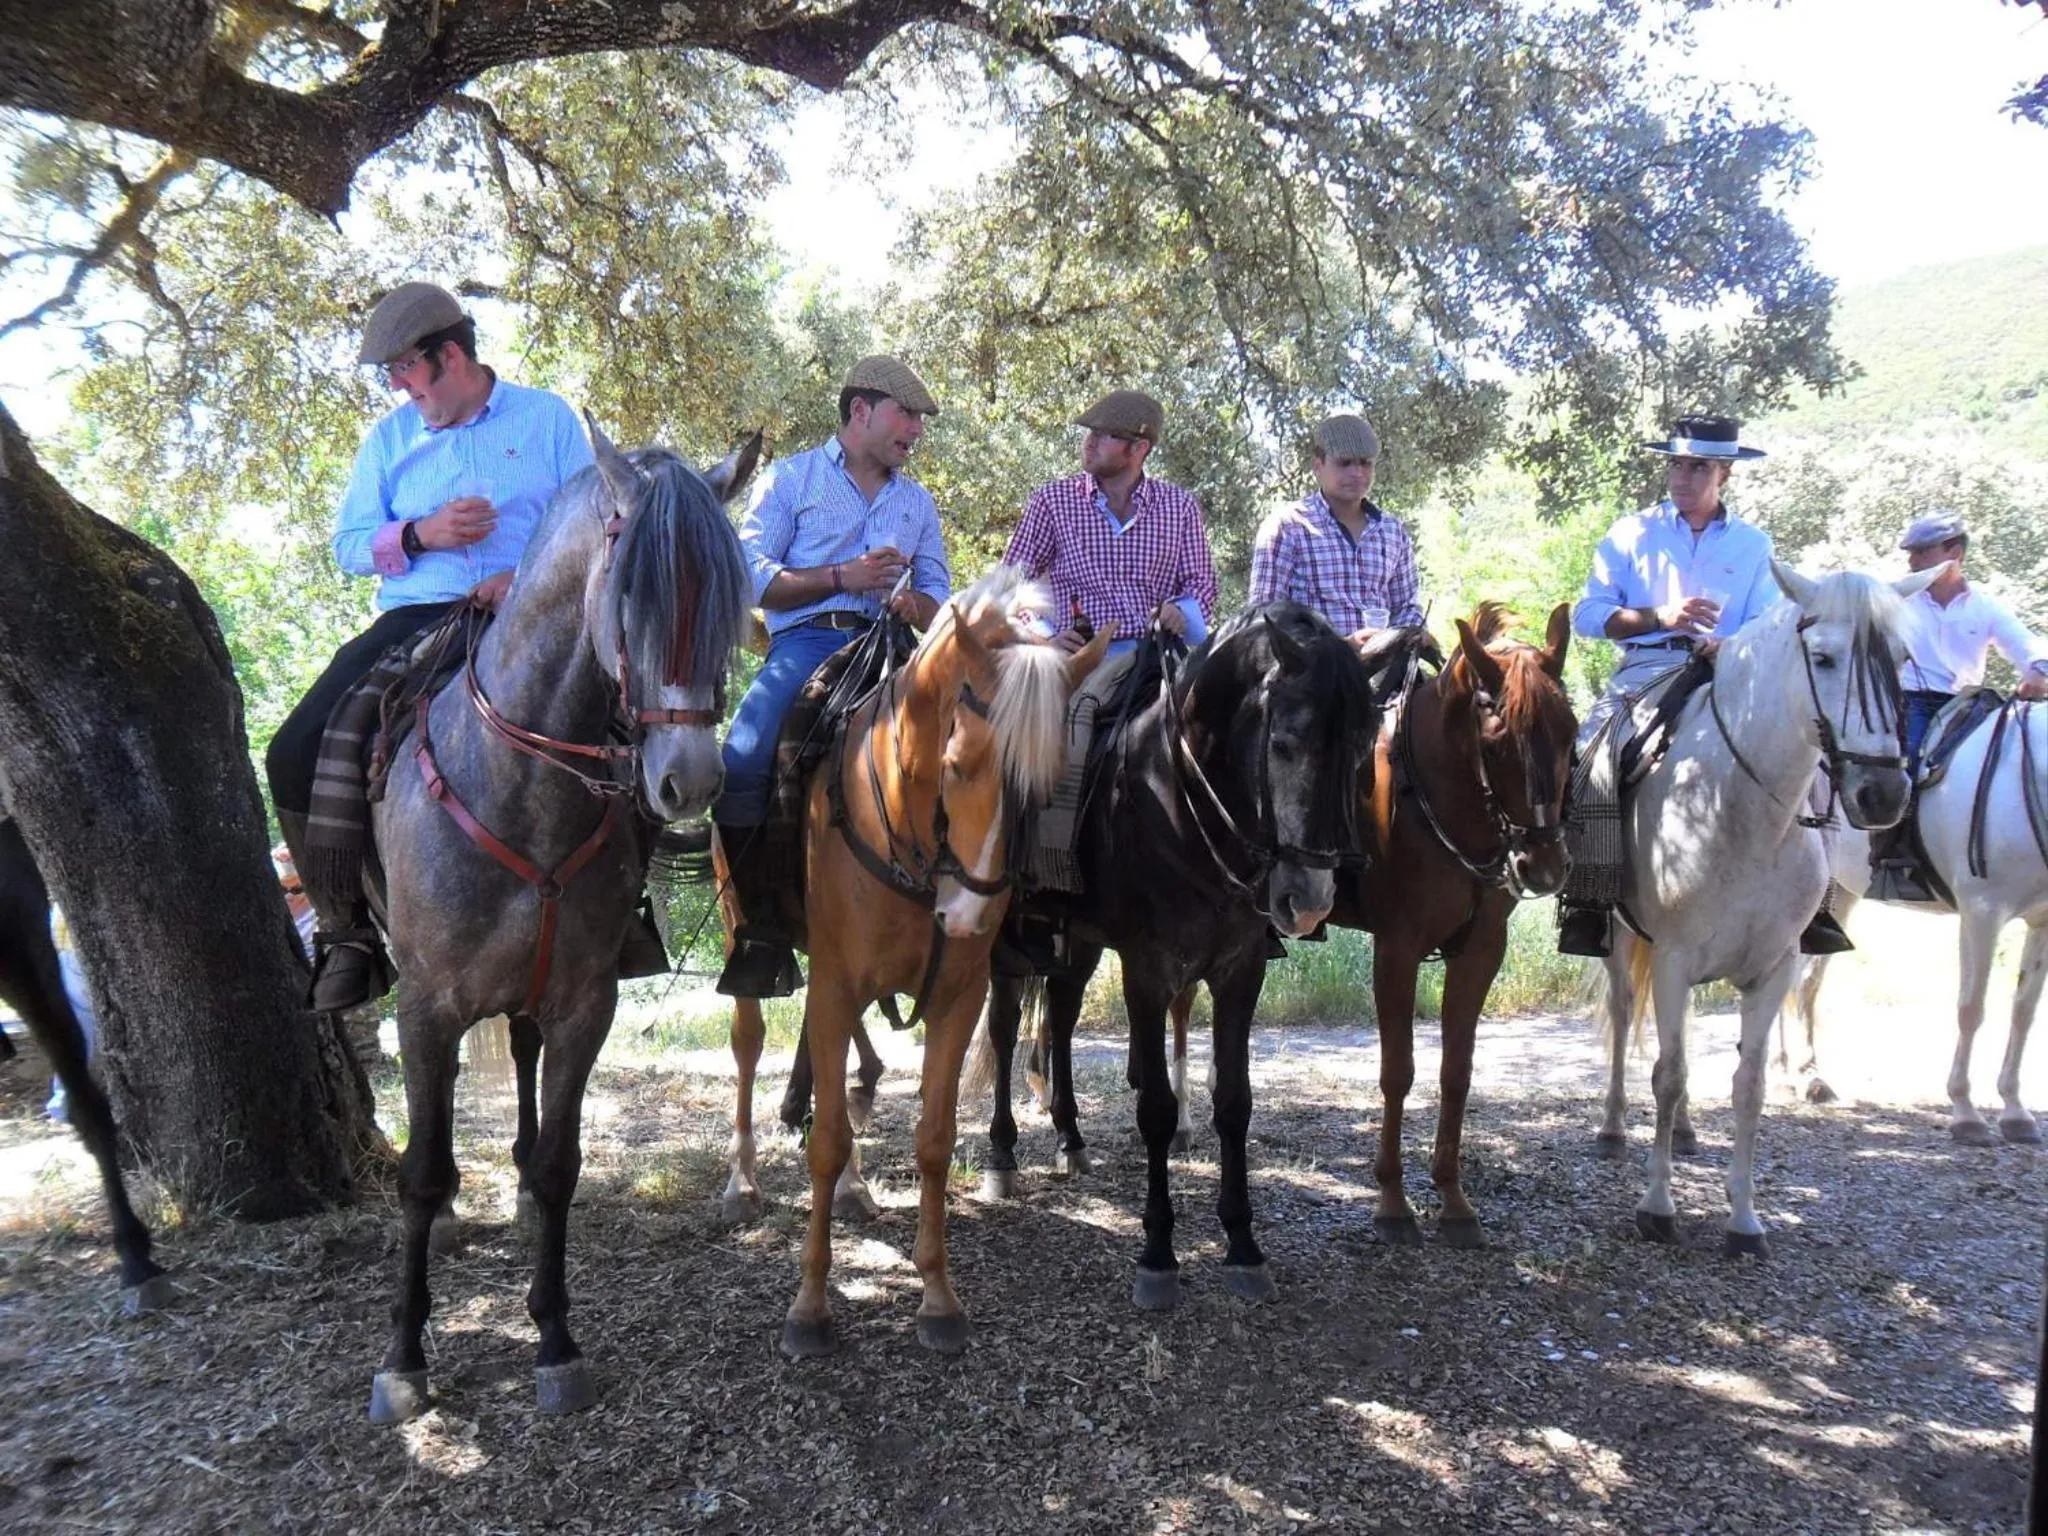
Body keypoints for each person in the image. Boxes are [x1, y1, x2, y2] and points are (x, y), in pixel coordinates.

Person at [266, 282, 595, 1010]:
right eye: (390, 375)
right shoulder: (388, 439)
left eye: (404, 369)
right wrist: (422, 534)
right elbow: (349, 545)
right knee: (292, 751)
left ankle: (621, 914)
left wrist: (524, 575)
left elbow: (588, 519)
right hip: (415, 619)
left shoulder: (546, 419)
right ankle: (349, 936)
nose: (396, 386)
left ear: (450, 356)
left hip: (533, 621)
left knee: (631, 722)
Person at [1555, 414, 1852, 958]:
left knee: (1814, 760)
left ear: (1725, 476)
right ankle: (1589, 900)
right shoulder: (1631, 532)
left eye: (1698, 467)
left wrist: (1731, 645)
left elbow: (1772, 621)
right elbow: (1590, 616)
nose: (1682, 477)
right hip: (1647, 669)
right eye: (1676, 464)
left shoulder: (1754, 545)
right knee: (1591, 753)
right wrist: (1659, 615)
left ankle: (1816, 905)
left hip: (1735, 677)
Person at [714, 356, 951, 997]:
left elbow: (940, 599)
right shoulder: (791, 480)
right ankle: (760, 929)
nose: (916, 432)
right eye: (907, 417)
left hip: (898, 644)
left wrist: (913, 604)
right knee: (741, 759)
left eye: (920, 422)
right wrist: (845, 576)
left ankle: (977, 915)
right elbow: (753, 577)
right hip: (807, 642)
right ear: (860, 412)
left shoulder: (917, 502)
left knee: (977, 741)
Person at [1004, 389, 1218, 904]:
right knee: (1052, 731)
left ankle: (1232, 889)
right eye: (1089, 433)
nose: (1089, 442)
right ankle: (1036, 878)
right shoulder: (1052, 502)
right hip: (1082, 653)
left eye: (1103, 436)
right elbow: (1011, 584)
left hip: (1159, 651)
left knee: (1229, 732)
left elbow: (1203, 589)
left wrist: (1179, 608)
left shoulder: (1178, 507)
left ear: (1138, 447)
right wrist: (1042, 636)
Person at [1870, 510, 2048, 901]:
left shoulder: (1984, 607)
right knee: (1909, 764)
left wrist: (2038, 670)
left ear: (1954, 552)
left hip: (1969, 707)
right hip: (1913, 704)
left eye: (1921, 551)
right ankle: (1891, 858)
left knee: (2005, 768)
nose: (1912, 560)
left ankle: (1995, 853)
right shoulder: (1899, 600)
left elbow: (2028, 646)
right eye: (1911, 553)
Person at [1248, 413, 1424, 641]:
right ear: (1318, 465)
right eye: (1344, 463)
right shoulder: (1287, 527)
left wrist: (1404, 636)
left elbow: (1407, 606)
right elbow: (1265, 617)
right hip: (1315, 671)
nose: (1357, 472)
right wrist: (1342, 648)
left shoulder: (1392, 532)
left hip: (1385, 668)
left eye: (1365, 463)